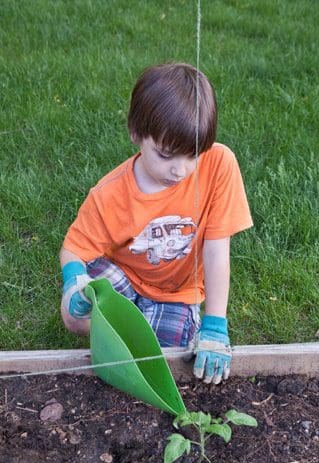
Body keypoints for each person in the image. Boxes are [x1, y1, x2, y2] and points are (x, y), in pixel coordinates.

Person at [60, 62, 253, 384]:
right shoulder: (110, 194)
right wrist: (74, 281)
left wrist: (215, 324)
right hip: (125, 274)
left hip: (178, 291)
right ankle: (129, 324)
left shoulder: (219, 164)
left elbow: (217, 251)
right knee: (73, 315)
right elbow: (73, 249)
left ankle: (133, 328)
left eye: (193, 156)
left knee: (166, 355)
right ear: (137, 133)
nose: (180, 170)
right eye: (165, 155)